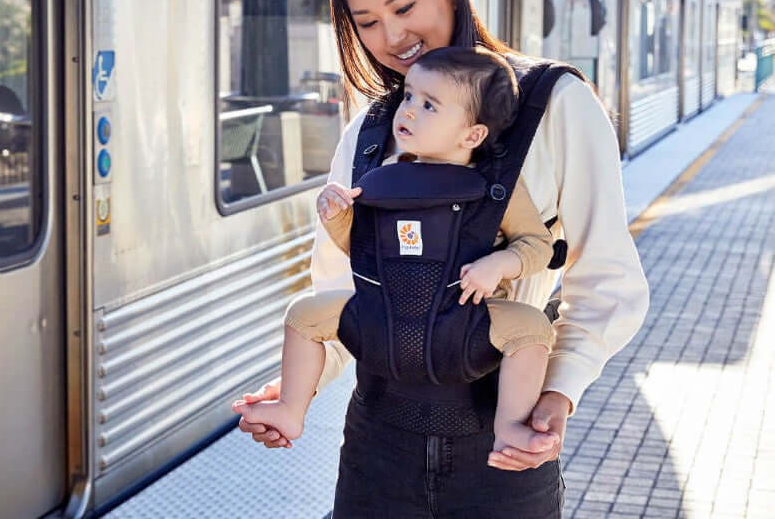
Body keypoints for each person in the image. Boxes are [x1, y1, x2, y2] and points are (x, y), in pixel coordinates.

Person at [235, 0, 649, 517]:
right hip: (377, 445)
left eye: (405, 7)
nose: (393, 35)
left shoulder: (555, 104)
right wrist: (301, 387)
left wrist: (558, 392)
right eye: (368, 22)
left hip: (499, 446)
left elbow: (607, 278)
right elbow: (343, 288)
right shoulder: (372, 129)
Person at [235, 46, 559, 456]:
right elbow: (365, 251)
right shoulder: (384, 178)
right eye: (408, 96)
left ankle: (511, 427)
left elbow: (536, 246)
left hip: (463, 324)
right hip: (383, 317)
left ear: (472, 134)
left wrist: (499, 264)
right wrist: (337, 216)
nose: (407, 111)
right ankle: (290, 408)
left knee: (532, 328)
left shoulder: (497, 192)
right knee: (302, 315)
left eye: (429, 105)